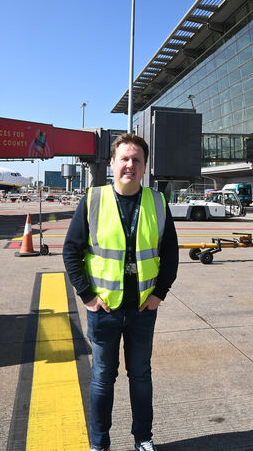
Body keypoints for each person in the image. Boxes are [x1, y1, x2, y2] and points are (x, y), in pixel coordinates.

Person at [63, 134, 178, 451]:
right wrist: (87, 295)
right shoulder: (93, 199)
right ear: (112, 164)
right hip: (105, 311)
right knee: (102, 378)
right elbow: (71, 251)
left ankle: (143, 439)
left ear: (144, 167)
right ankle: (99, 444)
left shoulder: (157, 202)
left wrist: (160, 294)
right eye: (124, 158)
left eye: (137, 160)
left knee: (141, 377)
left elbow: (171, 254)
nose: (130, 164)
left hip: (143, 310)